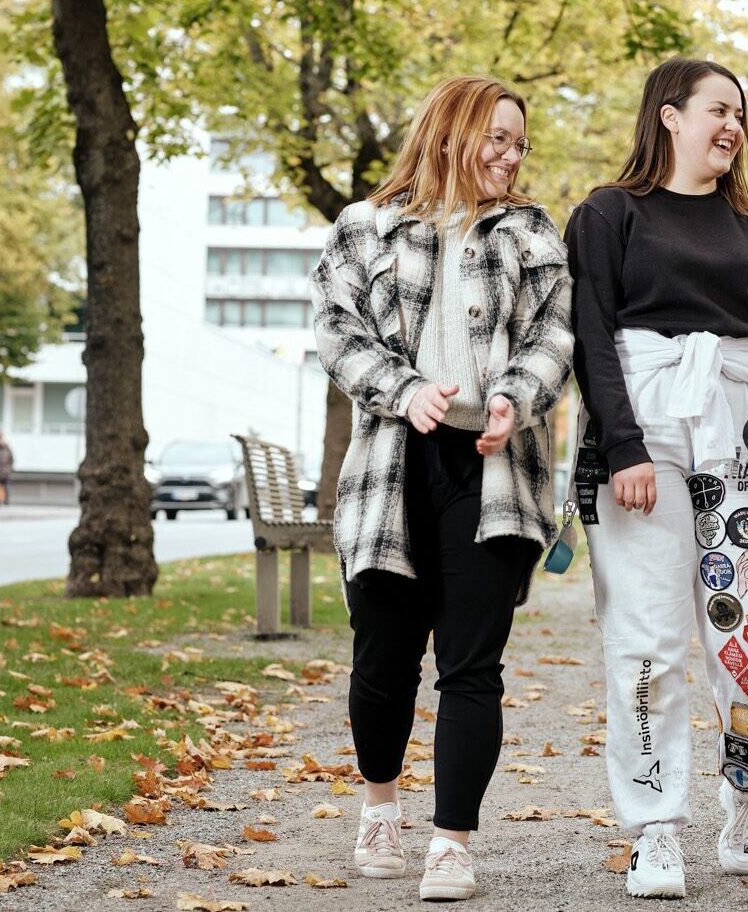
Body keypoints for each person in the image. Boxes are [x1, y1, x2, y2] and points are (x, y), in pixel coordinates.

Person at [311, 74, 574, 903]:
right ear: (451, 132)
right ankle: (379, 809)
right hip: (391, 466)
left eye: (520, 143)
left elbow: (554, 337)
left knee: (471, 666)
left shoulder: (532, 232)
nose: (511, 156)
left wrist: (513, 399)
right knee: (382, 662)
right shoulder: (365, 226)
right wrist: (403, 388)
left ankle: (452, 843)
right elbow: (335, 329)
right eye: (498, 138)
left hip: (493, 469)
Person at [566, 57, 748, 900]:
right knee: (648, 638)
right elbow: (591, 337)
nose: (733, 125)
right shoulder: (607, 214)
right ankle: (656, 827)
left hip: (740, 427)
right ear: (669, 116)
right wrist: (622, 446)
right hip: (643, 424)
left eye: (740, 114)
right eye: (718, 109)